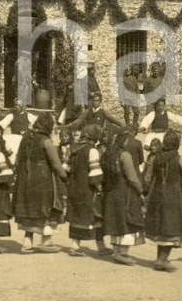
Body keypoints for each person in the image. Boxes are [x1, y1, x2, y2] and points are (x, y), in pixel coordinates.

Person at [13, 113, 68, 253]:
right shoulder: (46, 141)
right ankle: (46, 242)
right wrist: (64, 177)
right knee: (47, 209)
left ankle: (27, 243)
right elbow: (56, 164)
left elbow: (18, 158)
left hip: (25, 179)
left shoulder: (26, 138)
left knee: (30, 211)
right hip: (43, 179)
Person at [144, 130, 182, 271]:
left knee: (161, 227)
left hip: (156, 196)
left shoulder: (155, 158)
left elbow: (147, 178)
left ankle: (160, 258)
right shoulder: (178, 159)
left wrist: (145, 194)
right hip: (174, 197)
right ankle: (162, 259)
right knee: (170, 228)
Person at [101, 128, 147, 265]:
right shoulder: (125, 155)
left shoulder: (107, 153)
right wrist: (140, 192)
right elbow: (132, 177)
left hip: (110, 191)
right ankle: (122, 253)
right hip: (125, 192)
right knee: (126, 221)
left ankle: (116, 251)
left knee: (115, 220)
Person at [65, 124, 108, 257]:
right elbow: (95, 172)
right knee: (95, 216)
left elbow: (66, 167)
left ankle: (75, 245)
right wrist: (99, 187)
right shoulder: (92, 150)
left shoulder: (74, 148)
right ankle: (100, 247)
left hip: (75, 187)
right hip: (88, 188)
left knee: (78, 216)